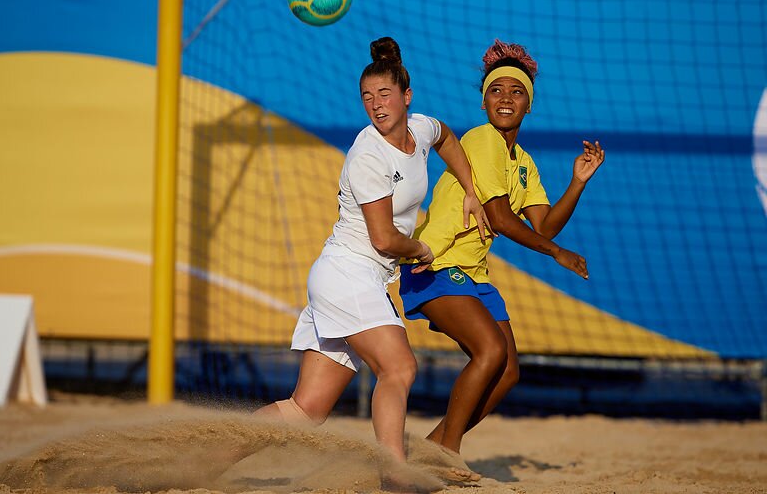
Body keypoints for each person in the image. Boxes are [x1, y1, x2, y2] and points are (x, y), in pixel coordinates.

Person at [254, 37, 492, 486]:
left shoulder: (419, 128)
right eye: (367, 97)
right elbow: (384, 239)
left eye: (384, 95)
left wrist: (470, 192)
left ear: (407, 96)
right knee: (399, 367)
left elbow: (445, 137)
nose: (376, 105)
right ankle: (394, 473)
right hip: (348, 273)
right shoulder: (367, 153)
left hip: (351, 277)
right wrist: (421, 250)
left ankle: (213, 449)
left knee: (306, 411)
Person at [398, 39, 605, 466]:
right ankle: (449, 453)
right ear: (483, 102)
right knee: (490, 352)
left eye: (516, 91)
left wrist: (578, 182)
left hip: (472, 275)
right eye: (496, 90)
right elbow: (499, 216)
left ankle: (429, 450)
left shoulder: (522, 161)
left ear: (529, 104)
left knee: (508, 371)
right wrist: (557, 254)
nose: (505, 98)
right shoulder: (482, 139)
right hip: (437, 264)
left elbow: (543, 223)